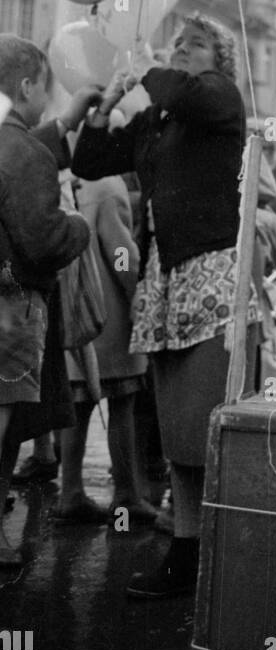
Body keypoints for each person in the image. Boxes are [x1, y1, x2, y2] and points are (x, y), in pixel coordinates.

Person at [71, 13, 261, 599]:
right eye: (176, 43)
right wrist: (104, 109)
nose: (181, 51)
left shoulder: (220, 97)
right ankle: (185, 549)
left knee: (210, 420)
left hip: (214, 273)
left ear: (218, 59)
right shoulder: (160, 115)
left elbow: (186, 89)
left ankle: (225, 550)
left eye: (195, 45)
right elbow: (90, 163)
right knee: (178, 423)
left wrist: (144, 68)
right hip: (167, 277)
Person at [0, 36, 91, 567]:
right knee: (5, 424)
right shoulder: (28, 153)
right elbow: (43, 239)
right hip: (13, 306)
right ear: (28, 85)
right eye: (45, 90)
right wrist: (76, 228)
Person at [54, 172, 155, 527]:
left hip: (76, 310)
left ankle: (70, 492)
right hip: (110, 316)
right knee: (122, 404)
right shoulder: (109, 187)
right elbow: (121, 252)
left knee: (77, 405)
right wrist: (135, 291)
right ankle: (126, 498)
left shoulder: (69, 180)